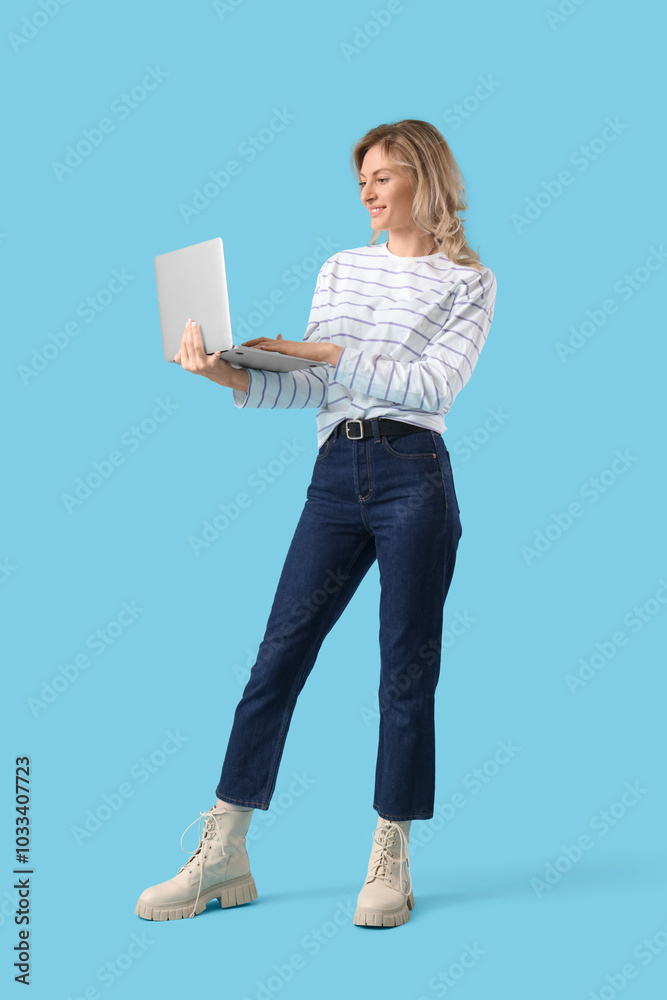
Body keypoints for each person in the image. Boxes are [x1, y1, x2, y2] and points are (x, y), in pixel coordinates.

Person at [135, 118, 498, 929]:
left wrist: (326, 355)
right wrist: (224, 369)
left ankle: (391, 855)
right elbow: (311, 392)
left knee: (405, 671)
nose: (367, 190)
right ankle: (223, 854)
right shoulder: (341, 268)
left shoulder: (468, 283)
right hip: (336, 474)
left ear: (425, 178)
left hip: (414, 477)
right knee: (276, 657)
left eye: (382, 175)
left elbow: (432, 387)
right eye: (360, 179)